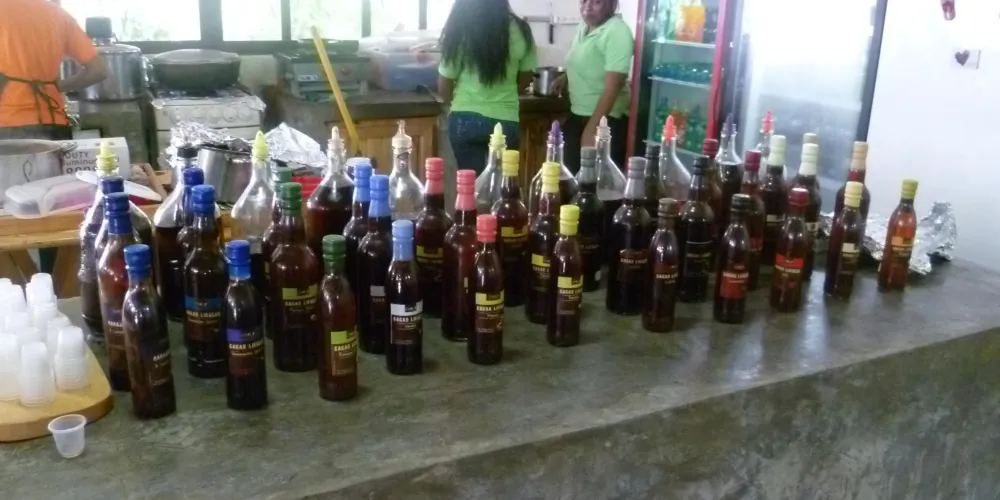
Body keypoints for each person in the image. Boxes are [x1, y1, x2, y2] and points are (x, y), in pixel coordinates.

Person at [438, 0, 537, 174]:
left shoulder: (462, 26)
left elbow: (444, 82)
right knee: (503, 185)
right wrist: (506, 93)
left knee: (471, 185)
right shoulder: (521, 29)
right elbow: (526, 77)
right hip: (506, 120)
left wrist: (452, 101)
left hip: (465, 119)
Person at [0, 0, 108, 141]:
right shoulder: (59, 14)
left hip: (6, 123)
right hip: (53, 122)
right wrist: (58, 87)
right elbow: (98, 70)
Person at [552, 0, 634, 173]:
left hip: (606, 121)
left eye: (596, 1)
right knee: (569, 177)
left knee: (595, 182)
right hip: (579, 114)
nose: (587, 6)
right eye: (583, 1)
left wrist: (593, 128)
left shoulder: (617, 32)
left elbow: (613, 86)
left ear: (611, 4)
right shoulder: (584, 27)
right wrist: (566, 77)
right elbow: (586, 61)